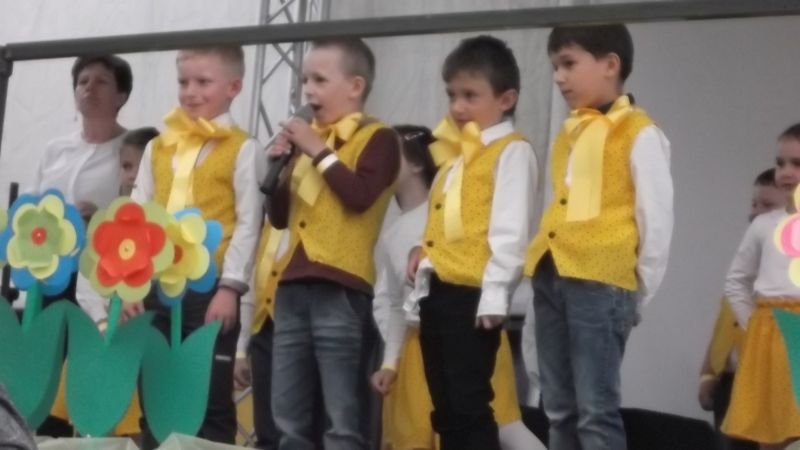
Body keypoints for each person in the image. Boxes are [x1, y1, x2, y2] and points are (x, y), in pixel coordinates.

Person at [523, 24, 673, 450]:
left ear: (610, 65)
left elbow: (656, 219)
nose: (558, 77)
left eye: (568, 64)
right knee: (558, 407)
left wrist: (638, 293)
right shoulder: (570, 132)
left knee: (595, 409)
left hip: (602, 281)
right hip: (553, 271)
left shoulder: (640, 132)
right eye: (555, 67)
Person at [128, 45, 266, 449]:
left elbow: (249, 224)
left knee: (209, 397)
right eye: (184, 82)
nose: (190, 92)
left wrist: (230, 287)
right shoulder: (158, 147)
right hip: (156, 285)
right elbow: (137, 216)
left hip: (209, 290)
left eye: (203, 82)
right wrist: (132, 282)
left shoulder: (243, 148)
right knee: (155, 393)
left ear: (233, 87)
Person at [266, 37, 400, 450]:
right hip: (291, 287)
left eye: (320, 80)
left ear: (355, 86)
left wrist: (318, 150)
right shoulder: (309, 144)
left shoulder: (379, 137)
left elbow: (359, 196)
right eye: (305, 80)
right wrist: (278, 169)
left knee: (342, 415)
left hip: (341, 288)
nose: (308, 90)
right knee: (288, 415)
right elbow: (280, 218)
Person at [405, 35, 538, 450]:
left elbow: (510, 229)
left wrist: (495, 295)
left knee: (470, 405)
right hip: (439, 290)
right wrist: (424, 252)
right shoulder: (456, 158)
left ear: (506, 99)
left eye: (470, 96)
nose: (458, 107)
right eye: (452, 95)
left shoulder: (512, 151)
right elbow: (447, 222)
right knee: (445, 408)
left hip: (473, 294)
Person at [723, 124, 800, 450]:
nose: (786, 172)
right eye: (780, 163)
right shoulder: (764, 226)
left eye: (797, 164)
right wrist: (754, 323)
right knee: (772, 430)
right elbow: (736, 280)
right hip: (771, 333)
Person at [697, 168, 781, 450]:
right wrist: (709, 374)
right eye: (754, 204)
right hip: (730, 383)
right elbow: (726, 320)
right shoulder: (749, 257)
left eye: (767, 205)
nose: (755, 212)